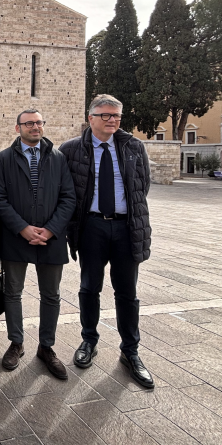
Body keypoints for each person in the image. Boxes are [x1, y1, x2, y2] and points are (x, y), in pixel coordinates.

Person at [59, 94, 155, 389]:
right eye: (106, 115)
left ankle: (131, 352)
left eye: (116, 115)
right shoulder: (71, 150)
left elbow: (143, 186)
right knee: (89, 287)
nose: (112, 120)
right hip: (92, 227)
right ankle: (89, 341)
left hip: (126, 228)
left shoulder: (133, 147)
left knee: (128, 292)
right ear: (91, 118)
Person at [0, 110, 76, 379]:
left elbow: (68, 197)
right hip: (16, 237)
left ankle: (46, 346)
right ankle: (16, 342)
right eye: (29, 123)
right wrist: (23, 228)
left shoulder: (58, 158)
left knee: (51, 295)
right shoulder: (4, 159)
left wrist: (50, 230)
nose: (35, 127)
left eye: (39, 122)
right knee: (13, 292)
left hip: (51, 238)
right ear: (18, 128)